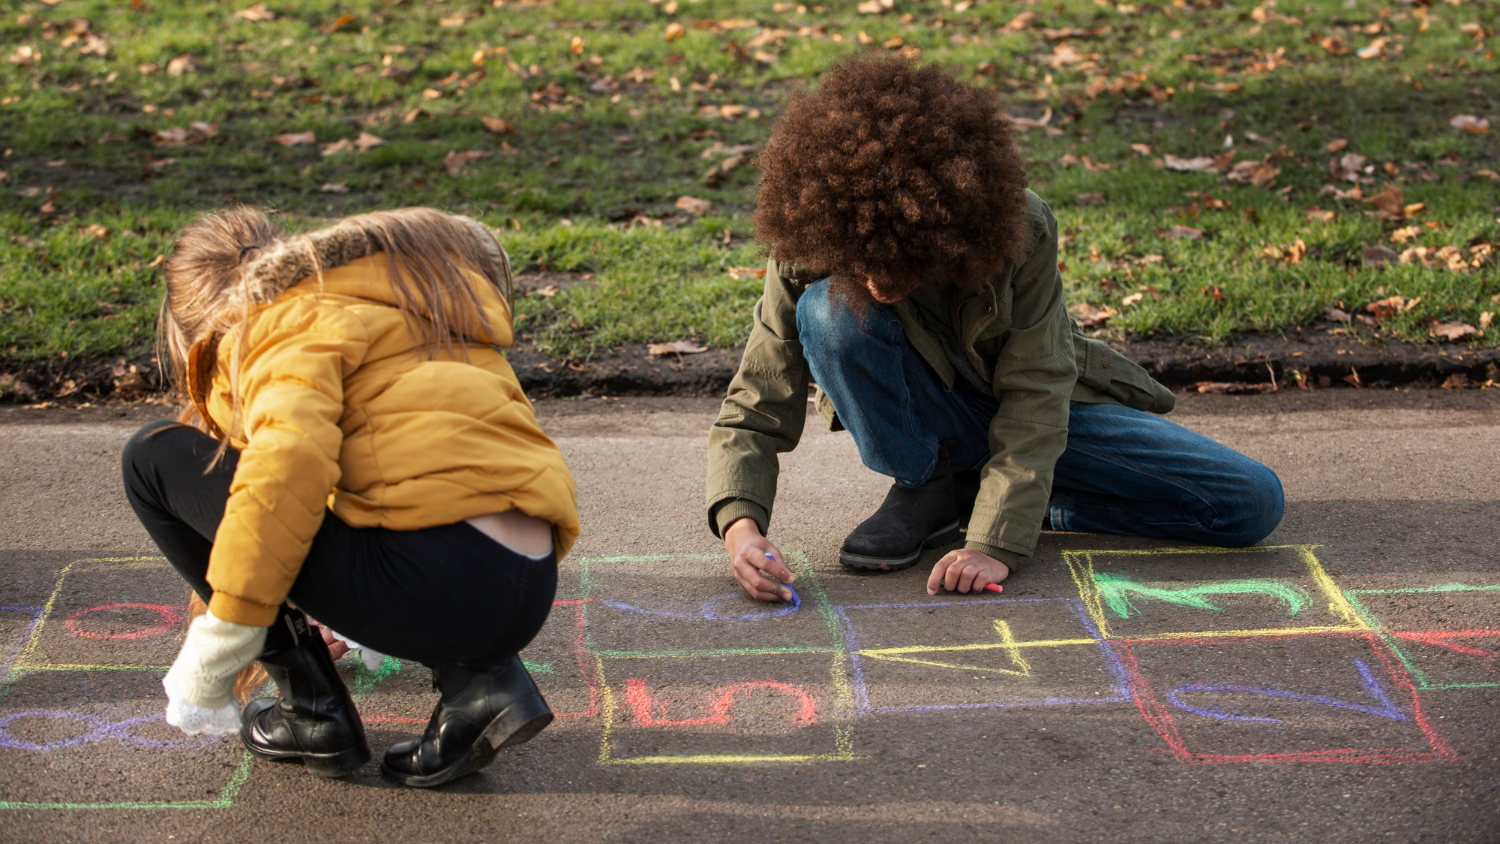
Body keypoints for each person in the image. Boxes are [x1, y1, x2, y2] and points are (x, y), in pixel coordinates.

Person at [706, 55, 1284, 602]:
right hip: (933, 421)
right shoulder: (810, 236)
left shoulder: (1019, 227)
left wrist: (995, 541)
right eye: (864, 263)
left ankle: (989, 496)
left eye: (904, 263)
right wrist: (741, 529)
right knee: (828, 311)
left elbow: (1036, 389)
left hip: (1026, 408)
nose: (881, 282)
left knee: (1249, 503)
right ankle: (928, 486)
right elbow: (759, 396)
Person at [121, 207, 580, 787]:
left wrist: (222, 642)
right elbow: (404, 462)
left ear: (194, 331)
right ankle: (480, 688)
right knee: (360, 471)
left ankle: (310, 709)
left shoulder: (269, 328)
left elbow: (283, 478)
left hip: (443, 582)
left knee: (151, 456)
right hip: (527, 585)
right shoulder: (389, 298)